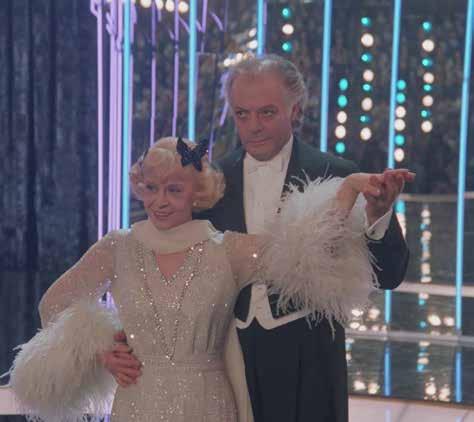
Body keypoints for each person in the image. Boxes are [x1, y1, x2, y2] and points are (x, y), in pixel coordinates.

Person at [8, 136, 412, 422]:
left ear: (197, 192)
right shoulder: (117, 247)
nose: (159, 201)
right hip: (137, 403)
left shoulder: (227, 249)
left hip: (210, 404)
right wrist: (101, 349)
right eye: (151, 188)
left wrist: (348, 190)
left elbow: (303, 249)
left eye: (173, 189)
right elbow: (53, 304)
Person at [103, 55, 411, 422]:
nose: (253, 127)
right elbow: (166, 267)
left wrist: (377, 216)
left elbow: (390, 275)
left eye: (266, 113)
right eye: (242, 114)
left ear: (295, 109)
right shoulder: (210, 183)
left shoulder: (337, 174)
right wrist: (116, 340)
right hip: (224, 359)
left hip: (310, 357)